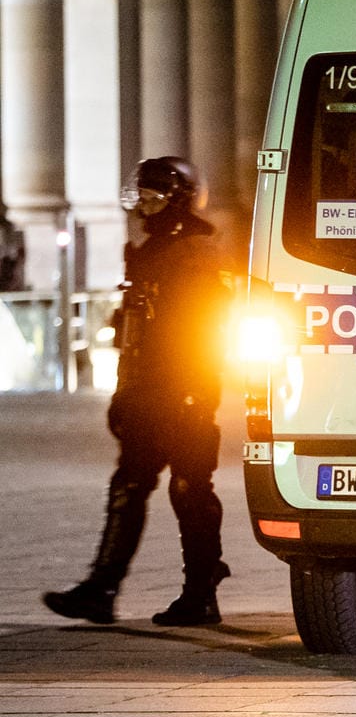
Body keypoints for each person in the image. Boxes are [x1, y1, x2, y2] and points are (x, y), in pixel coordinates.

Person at [44, 157, 233, 626]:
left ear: (179, 200)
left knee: (189, 490)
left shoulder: (196, 255)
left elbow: (202, 330)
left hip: (184, 390)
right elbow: (131, 333)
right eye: (142, 197)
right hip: (149, 391)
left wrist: (192, 391)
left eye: (154, 197)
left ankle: (199, 590)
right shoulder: (149, 251)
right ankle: (103, 589)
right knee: (131, 485)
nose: (144, 206)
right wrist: (124, 391)